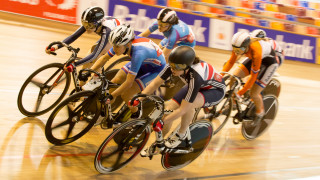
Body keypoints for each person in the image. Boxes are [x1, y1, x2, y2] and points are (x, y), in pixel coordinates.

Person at [132, 46, 226, 152]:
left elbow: (183, 109)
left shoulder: (195, 75)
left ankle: (182, 133)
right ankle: (158, 143)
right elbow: (155, 83)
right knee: (168, 109)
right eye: (171, 65)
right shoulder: (175, 65)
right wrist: (139, 98)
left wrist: (163, 121)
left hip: (215, 91)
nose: (172, 69)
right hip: (196, 86)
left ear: (186, 67)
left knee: (190, 104)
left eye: (176, 67)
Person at [84, 24, 166, 118]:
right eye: (113, 45)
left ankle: (136, 113)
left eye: (117, 47)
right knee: (115, 81)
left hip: (156, 70)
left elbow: (129, 83)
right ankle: (105, 111)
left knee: (126, 94)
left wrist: (112, 96)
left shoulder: (137, 54)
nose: (114, 49)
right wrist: (88, 72)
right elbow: (104, 58)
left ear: (127, 44)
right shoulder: (121, 43)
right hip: (145, 62)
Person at [45, 6, 122, 86]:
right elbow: (73, 37)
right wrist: (56, 47)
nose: (87, 27)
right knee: (87, 62)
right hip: (109, 33)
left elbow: (94, 55)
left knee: (97, 56)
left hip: (116, 39)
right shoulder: (91, 23)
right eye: (85, 24)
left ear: (97, 23)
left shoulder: (106, 30)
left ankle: (97, 79)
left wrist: (74, 65)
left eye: (89, 25)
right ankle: (80, 90)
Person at [222, 31, 282, 124]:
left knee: (254, 93)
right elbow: (231, 62)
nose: (237, 52)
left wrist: (241, 92)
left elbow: (253, 76)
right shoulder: (238, 45)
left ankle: (260, 113)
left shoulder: (256, 49)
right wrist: (219, 75)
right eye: (235, 49)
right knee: (234, 78)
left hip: (269, 64)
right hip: (254, 58)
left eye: (240, 49)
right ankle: (234, 103)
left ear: (246, 45)